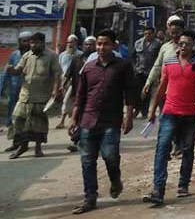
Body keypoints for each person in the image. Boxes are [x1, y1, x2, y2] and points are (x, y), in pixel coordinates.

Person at [70, 29, 139, 215]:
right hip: (88, 119)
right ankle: (90, 197)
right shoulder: (89, 67)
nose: (101, 47)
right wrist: (74, 117)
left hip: (111, 121)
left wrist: (129, 116)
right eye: (99, 44)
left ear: (114, 45)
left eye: (105, 43)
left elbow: (130, 92)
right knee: (87, 160)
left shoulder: (123, 66)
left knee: (110, 156)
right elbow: (80, 95)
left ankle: (115, 180)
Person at [143, 29, 195, 206]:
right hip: (170, 112)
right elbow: (162, 87)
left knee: (187, 149)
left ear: (194, 45)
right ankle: (158, 189)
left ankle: (183, 184)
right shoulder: (169, 61)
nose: (183, 46)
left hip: (190, 114)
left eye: (187, 44)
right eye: (181, 43)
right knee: (162, 148)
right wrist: (153, 109)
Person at [6, 31, 61, 159]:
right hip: (25, 95)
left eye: (36, 43)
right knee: (18, 119)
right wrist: (11, 70)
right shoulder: (26, 56)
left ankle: (38, 148)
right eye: (31, 43)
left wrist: (55, 90)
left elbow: (57, 74)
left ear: (43, 43)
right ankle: (23, 146)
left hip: (41, 96)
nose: (33, 45)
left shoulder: (51, 56)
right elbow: (18, 70)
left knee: (39, 123)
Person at [143, 15, 186, 97]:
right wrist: (148, 82)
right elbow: (157, 66)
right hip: (165, 89)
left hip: (182, 90)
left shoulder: (189, 48)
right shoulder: (165, 47)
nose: (174, 35)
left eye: (177, 32)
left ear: (182, 31)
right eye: (172, 33)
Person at [2, 32, 30, 130]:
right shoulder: (14, 55)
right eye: (24, 41)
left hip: (28, 87)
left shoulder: (33, 55)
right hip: (14, 86)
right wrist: (2, 88)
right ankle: (11, 124)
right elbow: (7, 72)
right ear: (20, 42)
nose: (27, 43)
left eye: (29, 41)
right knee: (12, 105)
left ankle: (25, 127)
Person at [132, 26, 161, 119]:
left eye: (149, 33)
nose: (147, 35)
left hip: (150, 71)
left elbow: (159, 58)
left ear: (153, 34)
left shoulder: (158, 44)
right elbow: (133, 56)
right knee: (137, 91)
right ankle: (136, 109)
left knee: (147, 92)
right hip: (139, 70)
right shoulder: (138, 43)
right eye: (145, 34)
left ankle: (144, 111)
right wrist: (134, 66)